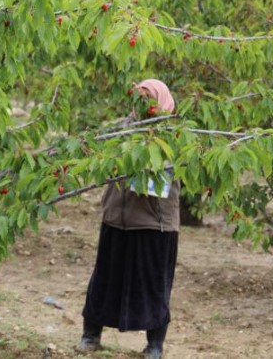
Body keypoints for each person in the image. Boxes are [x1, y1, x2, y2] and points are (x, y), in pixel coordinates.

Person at [77, 79, 179, 359]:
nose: (142, 105)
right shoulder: (123, 128)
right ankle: (91, 334)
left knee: (153, 283)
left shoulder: (174, 134)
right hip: (116, 218)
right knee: (105, 279)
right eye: (138, 98)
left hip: (153, 223)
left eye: (148, 98)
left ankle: (155, 344)